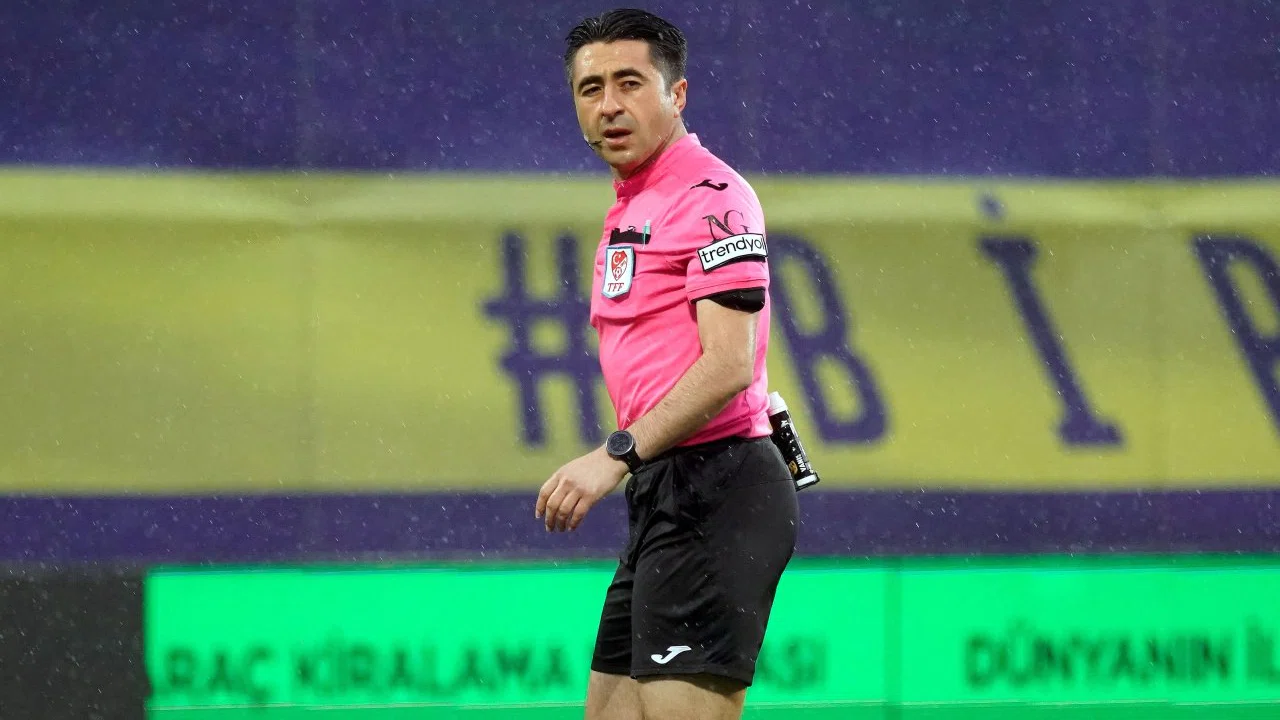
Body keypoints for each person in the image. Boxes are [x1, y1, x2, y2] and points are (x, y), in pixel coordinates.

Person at [534, 8, 800, 720]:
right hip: (665, 493)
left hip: (719, 488)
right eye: (590, 88)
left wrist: (613, 456)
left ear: (677, 95)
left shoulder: (713, 198)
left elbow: (728, 365)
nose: (609, 105)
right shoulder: (634, 204)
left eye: (630, 83)